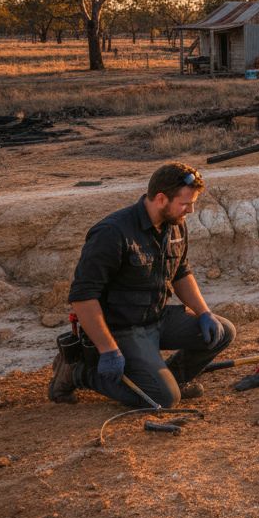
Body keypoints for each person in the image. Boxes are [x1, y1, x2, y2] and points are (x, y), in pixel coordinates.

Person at [49, 163, 236, 407]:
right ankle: (76, 372)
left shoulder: (176, 224)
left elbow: (180, 272)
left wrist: (204, 313)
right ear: (161, 198)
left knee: (224, 332)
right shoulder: (112, 233)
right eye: (185, 203)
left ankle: (170, 379)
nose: (190, 210)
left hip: (156, 318)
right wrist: (108, 350)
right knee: (163, 399)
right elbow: (83, 297)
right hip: (123, 328)